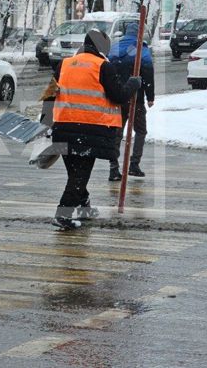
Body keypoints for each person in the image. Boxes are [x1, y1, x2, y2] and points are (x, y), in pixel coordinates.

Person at [50, 29, 141, 230]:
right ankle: (63, 214)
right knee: (79, 176)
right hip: (89, 130)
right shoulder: (102, 66)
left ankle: (84, 208)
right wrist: (133, 84)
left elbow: (50, 94)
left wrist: (46, 123)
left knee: (75, 173)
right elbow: (118, 95)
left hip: (62, 128)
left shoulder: (63, 64)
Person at [107, 22, 155, 181]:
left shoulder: (115, 48)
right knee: (140, 131)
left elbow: (107, 71)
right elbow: (148, 72)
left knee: (117, 133)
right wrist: (150, 96)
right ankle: (134, 164)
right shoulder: (141, 49)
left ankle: (113, 168)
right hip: (136, 98)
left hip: (118, 99)